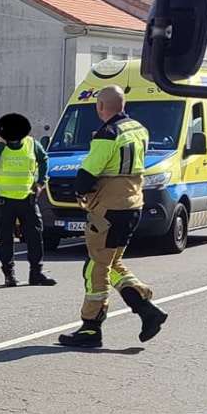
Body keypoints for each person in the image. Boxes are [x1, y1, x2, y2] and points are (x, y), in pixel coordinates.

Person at [59, 85, 166, 349]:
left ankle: (91, 328)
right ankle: (146, 309)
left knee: (96, 267)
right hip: (132, 204)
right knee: (112, 262)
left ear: (100, 107)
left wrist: (79, 191)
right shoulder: (139, 129)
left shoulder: (108, 133)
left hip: (109, 209)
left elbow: (88, 172)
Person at [0, 112, 56, 288]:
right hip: (4, 200)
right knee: (5, 239)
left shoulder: (32, 144)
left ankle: (36, 273)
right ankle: (9, 275)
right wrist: (0, 146)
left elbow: (44, 159)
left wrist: (41, 182)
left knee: (35, 236)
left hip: (27, 199)